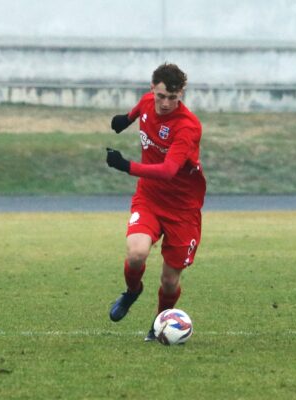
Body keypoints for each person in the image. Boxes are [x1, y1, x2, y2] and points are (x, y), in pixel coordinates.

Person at [105, 62, 206, 341]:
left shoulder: (188, 127)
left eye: (172, 98)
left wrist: (126, 166)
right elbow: (141, 109)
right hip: (149, 197)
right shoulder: (148, 101)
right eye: (161, 96)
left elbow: (168, 171)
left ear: (181, 94)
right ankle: (132, 291)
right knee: (136, 254)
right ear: (153, 89)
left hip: (182, 208)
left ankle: (158, 325)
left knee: (169, 281)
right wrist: (125, 119)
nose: (165, 103)